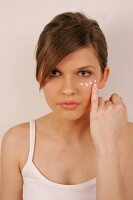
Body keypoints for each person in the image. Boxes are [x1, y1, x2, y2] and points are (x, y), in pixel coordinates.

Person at [0, 11, 133, 200]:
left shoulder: (128, 140)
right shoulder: (17, 142)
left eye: (83, 73)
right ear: (39, 75)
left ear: (103, 77)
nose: (68, 89)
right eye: (54, 72)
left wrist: (106, 146)